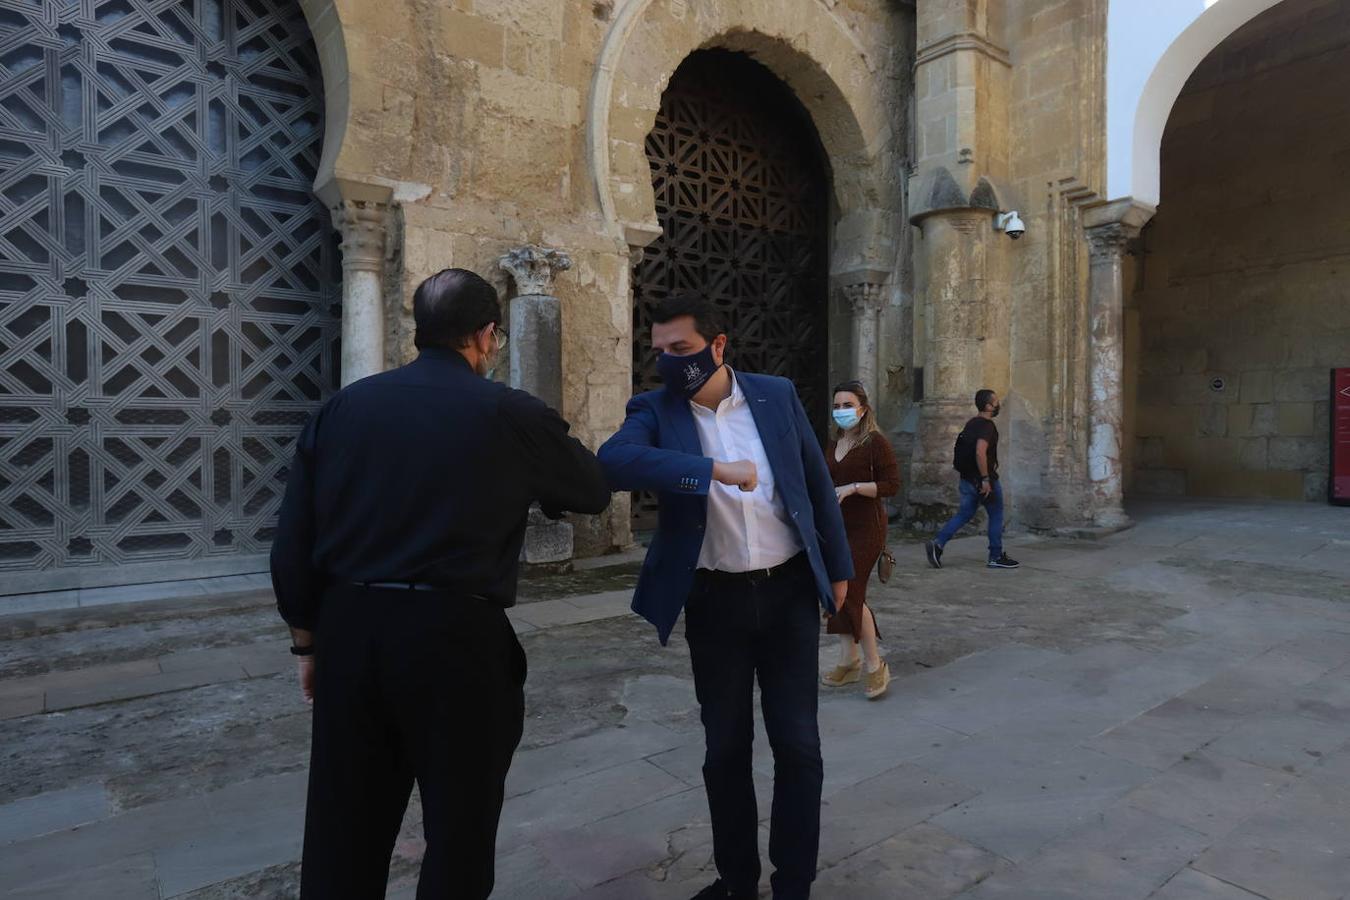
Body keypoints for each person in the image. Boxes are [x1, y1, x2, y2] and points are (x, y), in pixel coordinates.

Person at [270, 268, 611, 900]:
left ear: (417, 330)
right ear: (486, 336)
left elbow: (292, 546)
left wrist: (308, 645)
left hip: (351, 630)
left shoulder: (343, 409)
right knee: (459, 829)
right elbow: (590, 491)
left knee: (344, 829)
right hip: (456, 637)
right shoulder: (509, 412)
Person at [598, 294, 852, 900]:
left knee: (798, 745)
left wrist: (838, 570)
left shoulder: (774, 393)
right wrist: (712, 469)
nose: (667, 363)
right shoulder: (655, 409)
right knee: (725, 749)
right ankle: (737, 881)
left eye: (680, 350)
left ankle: (794, 883)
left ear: (717, 346)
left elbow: (816, 482)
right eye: (658, 352)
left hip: (788, 590)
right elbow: (614, 460)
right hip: (714, 601)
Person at [820, 380, 899, 700]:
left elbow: (892, 484)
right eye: (837, 406)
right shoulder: (833, 442)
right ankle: (848, 661)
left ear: (863, 408)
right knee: (835, 592)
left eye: (848, 405)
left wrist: (853, 488)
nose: (842, 411)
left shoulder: (875, 442)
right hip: (836, 527)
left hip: (867, 527)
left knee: (850, 592)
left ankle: (874, 664)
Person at [924, 388, 1020, 570]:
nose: (998, 404)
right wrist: (985, 479)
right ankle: (996, 555)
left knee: (964, 514)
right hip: (983, 481)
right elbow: (979, 451)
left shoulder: (971, 424)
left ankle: (938, 544)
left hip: (967, 480)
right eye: (995, 401)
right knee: (996, 514)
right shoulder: (987, 426)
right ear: (988, 406)